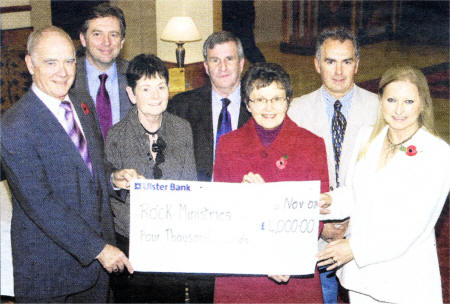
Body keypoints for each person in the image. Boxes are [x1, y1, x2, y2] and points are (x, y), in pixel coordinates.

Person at [0, 26, 139, 303]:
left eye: (68, 61)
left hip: (96, 273)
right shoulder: (14, 126)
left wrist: (113, 178)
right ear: (30, 64)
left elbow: (91, 166)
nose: (62, 72)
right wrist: (99, 249)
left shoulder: (81, 102)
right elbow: (41, 203)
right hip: (52, 274)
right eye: (50, 62)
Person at [317, 66, 450, 303]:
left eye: (408, 101)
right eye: (391, 100)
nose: (399, 110)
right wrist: (330, 202)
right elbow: (353, 193)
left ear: (423, 104)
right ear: (380, 101)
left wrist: (354, 249)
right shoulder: (367, 137)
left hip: (404, 278)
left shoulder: (437, 153)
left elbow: (411, 225)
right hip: (362, 278)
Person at [213, 62, 329, 303]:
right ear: (247, 104)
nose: (269, 107)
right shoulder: (228, 144)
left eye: (277, 98)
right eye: (260, 99)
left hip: (293, 270)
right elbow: (221, 213)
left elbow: (317, 214)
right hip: (243, 273)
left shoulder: (312, 144)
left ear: (288, 101)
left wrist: (283, 255)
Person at [287, 27, 378, 302]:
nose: (339, 71)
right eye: (330, 61)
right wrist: (319, 224)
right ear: (316, 64)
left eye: (346, 61)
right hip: (316, 238)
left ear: (357, 65)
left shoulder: (381, 110)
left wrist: (352, 220)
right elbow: (289, 179)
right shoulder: (295, 111)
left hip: (364, 235)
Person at [105, 54, 197, 303]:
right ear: (132, 94)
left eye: (161, 87)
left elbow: (190, 185)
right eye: (146, 89)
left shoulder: (182, 129)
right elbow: (111, 197)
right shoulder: (116, 136)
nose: (156, 96)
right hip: (132, 245)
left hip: (173, 241)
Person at [168, 31, 251, 182]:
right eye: (215, 60)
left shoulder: (259, 108)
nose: (223, 67)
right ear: (206, 67)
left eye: (229, 59)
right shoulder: (182, 107)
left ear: (241, 63)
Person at [71, 3, 131, 139]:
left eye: (113, 35)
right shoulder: (67, 78)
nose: (106, 42)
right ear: (83, 39)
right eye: (97, 34)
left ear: (122, 42)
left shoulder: (135, 76)